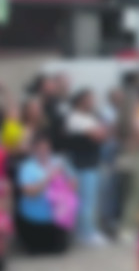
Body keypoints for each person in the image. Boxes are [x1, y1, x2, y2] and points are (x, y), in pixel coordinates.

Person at [16, 135, 74, 253]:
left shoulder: (58, 162)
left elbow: (74, 187)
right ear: (34, 150)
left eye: (47, 148)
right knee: (36, 251)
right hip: (33, 218)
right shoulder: (26, 167)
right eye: (40, 148)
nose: (44, 151)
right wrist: (48, 178)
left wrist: (65, 177)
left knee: (59, 250)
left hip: (55, 218)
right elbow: (29, 192)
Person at [66, 90, 109, 244]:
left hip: (90, 163)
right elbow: (99, 136)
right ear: (81, 102)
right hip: (83, 165)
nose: (92, 102)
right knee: (87, 201)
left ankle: (84, 231)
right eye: (89, 99)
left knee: (89, 200)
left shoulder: (89, 117)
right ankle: (87, 233)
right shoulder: (76, 118)